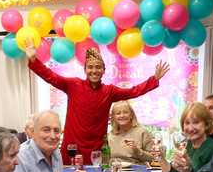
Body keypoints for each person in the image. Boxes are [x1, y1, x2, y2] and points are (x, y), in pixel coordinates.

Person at [23, 42, 169, 163]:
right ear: (85, 69)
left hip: (96, 148)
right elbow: (51, 77)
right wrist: (34, 60)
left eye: (98, 67)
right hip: (73, 147)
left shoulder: (109, 91)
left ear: (104, 70)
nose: (94, 70)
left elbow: (133, 91)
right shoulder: (73, 84)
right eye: (90, 67)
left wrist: (154, 79)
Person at [161, 102, 213, 172]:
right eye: (187, 123)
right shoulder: (187, 145)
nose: (190, 128)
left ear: (206, 124)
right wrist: (161, 158)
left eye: (196, 122)